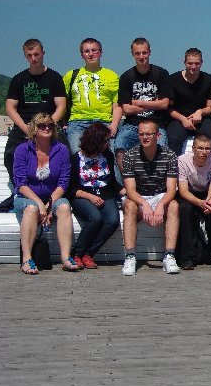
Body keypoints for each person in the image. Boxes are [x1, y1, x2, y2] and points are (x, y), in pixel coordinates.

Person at [14, 113, 79, 274]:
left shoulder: (62, 150)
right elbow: (21, 184)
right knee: (32, 209)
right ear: (34, 129)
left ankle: (66, 258)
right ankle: (27, 259)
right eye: (42, 125)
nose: (47, 128)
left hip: (53, 196)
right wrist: (40, 205)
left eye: (50, 125)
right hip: (27, 197)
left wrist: (49, 204)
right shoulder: (22, 150)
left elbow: (63, 183)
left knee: (64, 207)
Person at [120, 120, 180, 275]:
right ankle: (130, 256)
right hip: (139, 196)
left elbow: (171, 190)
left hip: (161, 195)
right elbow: (130, 190)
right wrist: (144, 204)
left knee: (174, 205)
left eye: (148, 134)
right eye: (141, 134)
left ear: (158, 136)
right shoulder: (130, 156)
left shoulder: (170, 155)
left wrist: (160, 205)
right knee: (129, 205)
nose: (144, 137)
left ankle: (169, 255)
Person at [5, 39, 67, 188]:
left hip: (50, 125)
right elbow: (10, 107)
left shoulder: (55, 77)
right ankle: (19, 189)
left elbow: (61, 106)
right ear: (25, 56)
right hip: (24, 126)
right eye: (29, 55)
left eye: (36, 54)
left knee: (66, 152)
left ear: (43, 53)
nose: (33, 58)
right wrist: (26, 128)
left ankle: (61, 189)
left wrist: (47, 125)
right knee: (9, 155)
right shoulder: (18, 79)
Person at [68, 122, 121, 269]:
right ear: (96, 141)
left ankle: (89, 253)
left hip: (105, 193)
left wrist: (129, 193)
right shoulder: (76, 159)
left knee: (112, 220)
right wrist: (90, 197)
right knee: (95, 218)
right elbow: (70, 188)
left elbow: (112, 182)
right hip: (82, 195)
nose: (108, 143)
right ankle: (77, 253)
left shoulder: (107, 155)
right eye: (105, 140)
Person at [116, 38, 172, 168]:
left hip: (156, 123)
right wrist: (154, 103)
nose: (141, 57)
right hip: (132, 124)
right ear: (132, 54)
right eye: (137, 53)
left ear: (150, 52)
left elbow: (164, 104)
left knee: (162, 148)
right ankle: (126, 180)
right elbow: (127, 110)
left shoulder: (161, 74)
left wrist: (137, 102)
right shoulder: (126, 77)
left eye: (144, 53)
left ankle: (159, 180)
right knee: (119, 145)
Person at [177, 134, 211, 270]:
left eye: (207, 149)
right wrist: (199, 203)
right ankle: (187, 257)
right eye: (200, 148)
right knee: (185, 209)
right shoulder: (182, 161)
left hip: (207, 193)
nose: (204, 152)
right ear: (193, 149)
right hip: (188, 193)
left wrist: (210, 202)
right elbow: (183, 191)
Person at [62, 38, 122, 154]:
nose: (90, 54)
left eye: (94, 50)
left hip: (104, 122)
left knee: (112, 155)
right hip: (77, 123)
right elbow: (62, 103)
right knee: (76, 156)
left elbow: (117, 104)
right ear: (82, 55)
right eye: (86, 51)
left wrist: (114, 124)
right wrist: (64, 124)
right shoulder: (70, 75)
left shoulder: (112, 76)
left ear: (101, 52)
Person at [167, 47, 211, 155]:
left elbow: (210, 108)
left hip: (202, 119)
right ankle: (174, 166)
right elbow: (169, 109)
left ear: (202, 63)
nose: (193, 67)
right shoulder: (172, 80)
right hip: (178, 119)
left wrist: (200, 112)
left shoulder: (209, 80)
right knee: (173, 138)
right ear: (184, 62)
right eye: (190, 63)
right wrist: (183, 119)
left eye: (197, 63)